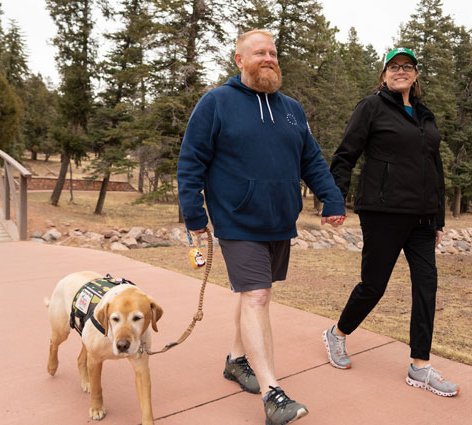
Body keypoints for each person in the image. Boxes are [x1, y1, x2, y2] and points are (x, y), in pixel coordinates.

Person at [176, 29, 346, 424]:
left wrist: (331, 197)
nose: (268, 58)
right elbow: (191, 162)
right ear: (239, 60)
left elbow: (312, 160)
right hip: (237, 220)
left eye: (273, 52)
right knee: (257, 297)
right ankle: (273, 394)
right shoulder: (216, 103)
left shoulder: (292, 109)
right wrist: (195, 216)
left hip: (279, 221)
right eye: (258, 53)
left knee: (253, 295)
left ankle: (237, 360)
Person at [321, 47, 459, 397]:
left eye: (407, 67)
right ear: (383, 75)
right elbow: (345, 155)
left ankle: (420, 366)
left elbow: (436, 169)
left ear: (415, 75)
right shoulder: (372, 107)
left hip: (423, 219)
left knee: (426, 288)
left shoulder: (426, 116)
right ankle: (337, 333)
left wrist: (439, 217)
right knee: (373, 286)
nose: (400, 71)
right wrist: (335, 198)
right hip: (383, 213)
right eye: (393, 67)